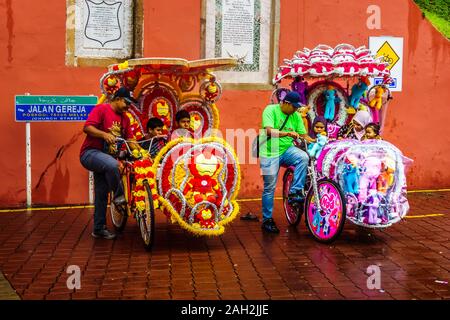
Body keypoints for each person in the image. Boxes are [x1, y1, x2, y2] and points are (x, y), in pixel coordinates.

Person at [79, 87, 141, 240]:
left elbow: (130, 140)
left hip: (107, 158)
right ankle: (119, 197)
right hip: (90, 154)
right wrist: (104, 134)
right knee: (114, 165)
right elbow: (87, 128)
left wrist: (140, 151)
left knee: (101, 194)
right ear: (118, 98)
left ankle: (99, 228)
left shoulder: (125, 119)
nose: (128, 106)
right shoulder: (101, 109)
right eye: (127, 102)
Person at [259, 91, 314, 233]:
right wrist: (288, 133)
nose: (296, 110)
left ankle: (295, 192)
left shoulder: (295, 116)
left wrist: (318, 140)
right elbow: (269, 131)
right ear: (286, 103)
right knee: (269, 187)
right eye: (294, 107)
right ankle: (267, 219)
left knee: (303, 157)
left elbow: (303, 135)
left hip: (286, 150)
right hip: (269, 152)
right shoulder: (270, 110)